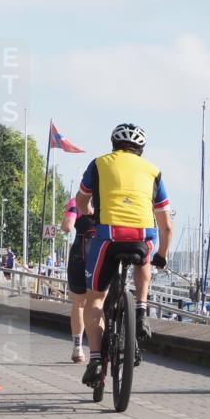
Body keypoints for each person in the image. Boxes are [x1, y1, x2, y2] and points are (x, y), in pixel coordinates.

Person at [76, 123, 173, 389]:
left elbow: (81, 201)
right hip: (142, 236)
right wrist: (162, 255)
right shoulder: (154, 171)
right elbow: (166, 226)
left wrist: (89, 216)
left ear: (113, 145)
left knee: (95, 298)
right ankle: (141, 310)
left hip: (108, 236)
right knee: (147, 255)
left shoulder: (98, 164)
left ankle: (95, 360)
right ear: (141, 149)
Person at [62, 196, 94, 363]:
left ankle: (78, 348)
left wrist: (65, 220)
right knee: (98, 303)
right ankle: (98, 350)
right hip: (101, 257)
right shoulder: (107, 200)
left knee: (79, 304)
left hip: (80, 255)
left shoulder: (75, 202)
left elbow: (68, 227)